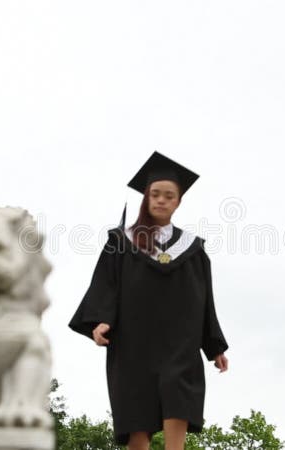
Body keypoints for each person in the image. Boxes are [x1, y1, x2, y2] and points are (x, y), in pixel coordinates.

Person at [69, 151, 229, 450]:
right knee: (136, 418)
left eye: (169, 196)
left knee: (177, 399)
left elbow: (204, 298)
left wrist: (214, 345)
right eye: (155, 194)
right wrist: (101, 321)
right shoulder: (122, 242)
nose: (161, 200)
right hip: (133, 343)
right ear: (146, 196)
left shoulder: (192, 250)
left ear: (178, 202)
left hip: (179, 343)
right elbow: (106, 285)